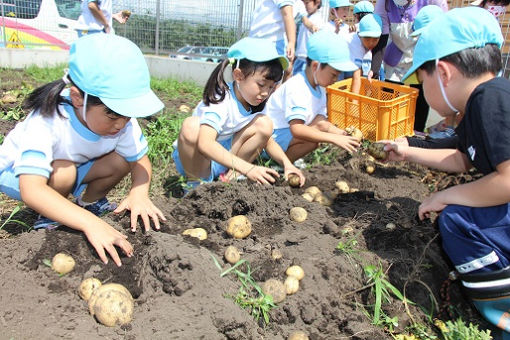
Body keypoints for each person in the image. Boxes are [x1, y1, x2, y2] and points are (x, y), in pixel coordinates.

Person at [383, 7, 510, 335]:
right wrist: (407, 152)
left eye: (420, 80)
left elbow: (508, 179)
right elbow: (461, 160)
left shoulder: (490, 98)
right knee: (456, 212)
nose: (421, 89)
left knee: (456, 219)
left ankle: (502, 318)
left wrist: (444, 196)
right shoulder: (480, 103)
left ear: (443, 72)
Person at [0, 34, 166, 266]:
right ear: (78, 98)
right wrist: (90, 223)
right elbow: (32, 189)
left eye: (129, 115)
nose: (121, 124)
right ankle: (50, 216)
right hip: (18, 172)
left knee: (120, 161)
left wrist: (139, 194)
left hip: (71, 165)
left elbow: (140, 162)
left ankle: (89, 202)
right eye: (113, 115)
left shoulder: (121, 119)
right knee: (64, 171)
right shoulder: (48, 119)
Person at [172, 37, 305, 188]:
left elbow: (267, 140)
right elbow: (205, 143)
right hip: (196, 160)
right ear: (238, 76)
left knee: (264, 124)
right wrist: (249, 168)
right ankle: (195, 184)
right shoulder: (221, 99)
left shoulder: (256, 100)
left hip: (223, 157)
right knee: (192, 126)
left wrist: (287, 164)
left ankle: (230, 177)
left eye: (270, 87)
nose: (265, 93)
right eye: (261, 85)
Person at [264, 30, 360, 162]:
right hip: (270, 138)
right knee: (312, 141)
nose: (336, 80)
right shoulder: (297, 87)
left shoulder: (319, 87)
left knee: (317, 136)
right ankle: (280, 162)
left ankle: (283, 162)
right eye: (334, 74)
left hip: (284, 135)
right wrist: (334, 138)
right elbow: (297, 129)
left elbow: (321, 122)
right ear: (316, 66)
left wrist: (343, 134)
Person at [370, 0, 448, 133]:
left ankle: (416, 133)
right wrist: (374, 68)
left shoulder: (432, 2)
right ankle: (386, 130)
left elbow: (442, 28)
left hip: (422, 52)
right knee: (389, 95)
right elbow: (382, 34)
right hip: (396, 54)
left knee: (420, 96)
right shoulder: (384, 3)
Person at [249, 0, 316, 76]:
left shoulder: (299, 4)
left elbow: (305, 20)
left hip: (277, 40)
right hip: (264, 39)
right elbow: (287, 13)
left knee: (286, 70)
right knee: (262, 73)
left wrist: (312, 27)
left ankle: (278, 87)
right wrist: (291, 42)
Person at [345, 13, 383, 94]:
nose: (371, 43)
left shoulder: (363, 42)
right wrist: (355, 103)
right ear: (359, 35)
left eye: (375, 39)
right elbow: (357, 77)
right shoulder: (357, 45)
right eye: (367, 39)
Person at [294, 0, 324, 75]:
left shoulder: (318, 21)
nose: (304, 5)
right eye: (303, 3)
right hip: (299, 57)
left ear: (317, 2)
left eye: (307, 3)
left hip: (307, 60)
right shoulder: (306, 17)